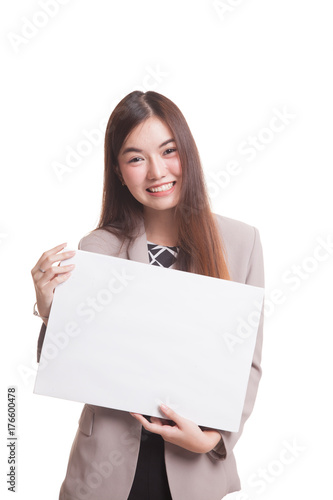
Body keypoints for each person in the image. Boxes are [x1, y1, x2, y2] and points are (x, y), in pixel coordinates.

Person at [31, 90, 265, 500]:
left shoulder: (240, 242)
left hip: (194, 466)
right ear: (119, 171)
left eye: (169, 151)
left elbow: (249, 364)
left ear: (187, 154)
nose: (157, 172)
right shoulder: (99, 248)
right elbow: (74, 366)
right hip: (105, 468)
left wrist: (212, 440)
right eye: (136, 158)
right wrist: (52, 311)